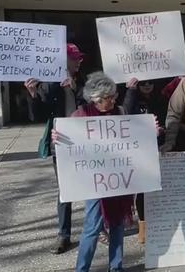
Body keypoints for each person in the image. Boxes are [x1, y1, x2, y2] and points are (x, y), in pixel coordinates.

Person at [53, 72, 146, 272]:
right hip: (95, 181)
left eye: (114, 96)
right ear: (95, 98)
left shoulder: (120, 112)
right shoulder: (81, 115)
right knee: (92, 227)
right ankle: (82, 268)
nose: (112, 100)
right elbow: (69, 141)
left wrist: (151, 132)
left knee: (118, 225)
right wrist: (58, 137)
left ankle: (116, 266)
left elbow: (135, 137)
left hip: (118, 178)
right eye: (108, 98)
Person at [25, 42, 86, 254]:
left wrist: (74, 89)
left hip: (87, 142)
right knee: (65, 189)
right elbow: (38, 115)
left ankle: (98, 227)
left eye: (79, 57)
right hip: (60, 142)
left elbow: (92, 105)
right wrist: (33, 94)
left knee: (94, 185)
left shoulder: (85, 81)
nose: (79, 61)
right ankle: (64, 235)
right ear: (63, 60)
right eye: (75, 57)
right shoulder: (48, 83)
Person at [122, 77, 166, 245]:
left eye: (150, 83)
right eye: (143, 83)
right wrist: (130, 91)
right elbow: (124, 116)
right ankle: (143, 228)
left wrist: (163, 131)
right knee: (141, 189)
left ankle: (159, 223)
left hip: (158, 146)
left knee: (158, 187)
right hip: (139, 149)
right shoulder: (131, 99)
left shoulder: (160, 99)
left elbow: (167, 119)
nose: (147, 86)